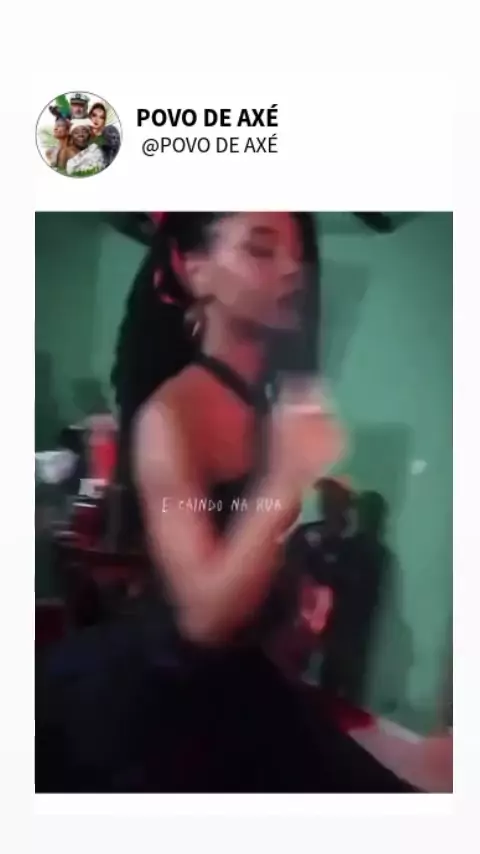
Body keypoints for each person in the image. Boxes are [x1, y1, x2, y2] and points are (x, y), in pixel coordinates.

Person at [36, 213, 416, 793]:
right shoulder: (172, 416)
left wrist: (294, 592)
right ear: (195, 270)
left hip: (241, 680)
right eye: (261, 250)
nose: (291, 270)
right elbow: (204, 615)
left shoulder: (263, 404)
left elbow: (242, 551)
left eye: (297, 253)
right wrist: (287, 476)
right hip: (167, 702)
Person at [88, 101, 121, 167]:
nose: (97, 119)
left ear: (104, 121)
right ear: (89, 117)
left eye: (101, 117)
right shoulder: (81, 136)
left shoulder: (109, 133)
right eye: (94, 115)